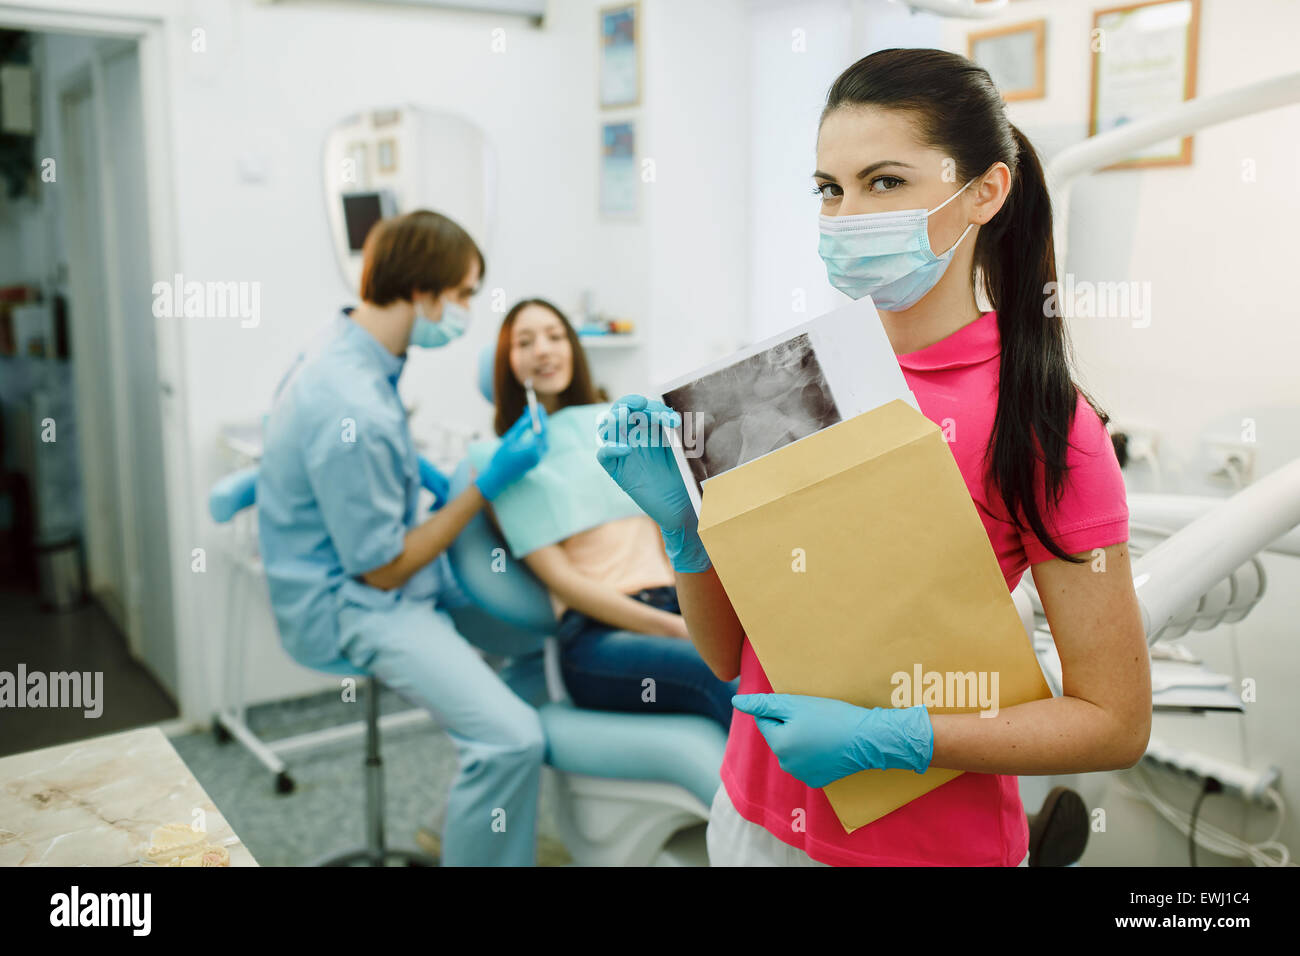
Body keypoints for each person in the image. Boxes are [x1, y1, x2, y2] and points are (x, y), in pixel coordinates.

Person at [596, 48, 1151, 866]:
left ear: (985, 192)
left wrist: (896, 737)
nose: (848, 214)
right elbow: (729, 657)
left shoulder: (1042, 420)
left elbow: (1115, 722)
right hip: (751, 817)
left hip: (925, 846)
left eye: (885, 182)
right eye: (830, 188)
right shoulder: (778, 384)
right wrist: (684, 532)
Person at [257, 210, 551, 866]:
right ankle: (489, 795)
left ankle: (461, 822)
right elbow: (382, 570)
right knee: (512, 740)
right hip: (354, 603)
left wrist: (430, 473)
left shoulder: (350, 345)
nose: (469, 311)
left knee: (542, 640)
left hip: (390, 568)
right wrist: (484, 485)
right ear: (422, 293)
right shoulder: (348, 402)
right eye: (465, 294)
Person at [486, 297, 739, 730]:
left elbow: (672, 541)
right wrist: (674, 630)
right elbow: (565, 583)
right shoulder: (504, 464)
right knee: (722, 678)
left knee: (763, 663)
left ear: (574, 347)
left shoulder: (617, 432)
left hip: (676, 601)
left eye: (554, 336)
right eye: (524, 342)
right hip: (597, 636)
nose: (543, 350)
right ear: (507, 363)